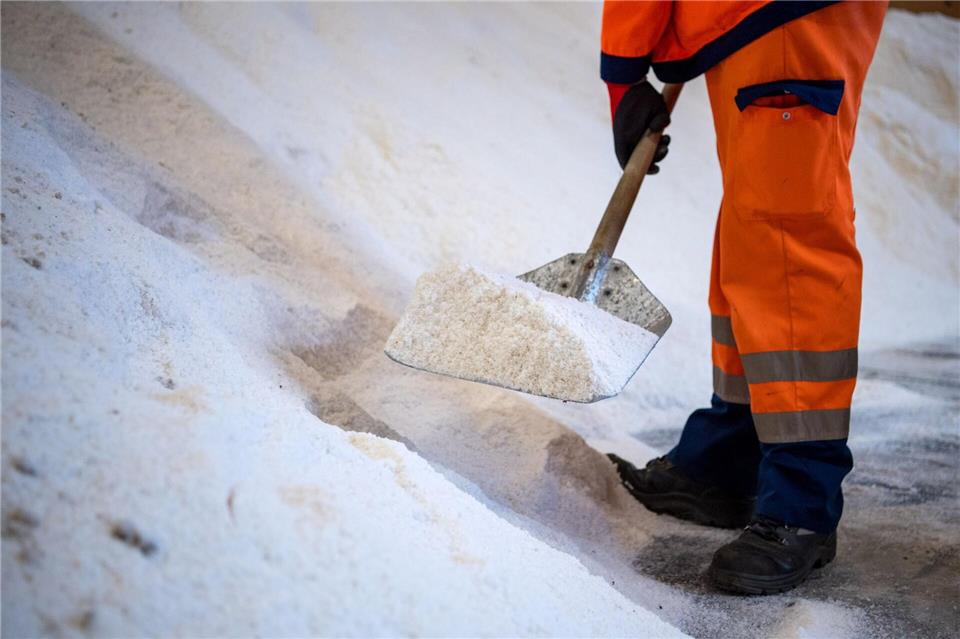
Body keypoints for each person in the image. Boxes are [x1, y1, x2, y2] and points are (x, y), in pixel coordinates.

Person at [600, 1, 888, 595]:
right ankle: (729, 456)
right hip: (750, 16)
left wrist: (624, 72)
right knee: (756, 227)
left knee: (785, 235)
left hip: (782, 14)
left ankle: (801, 498)